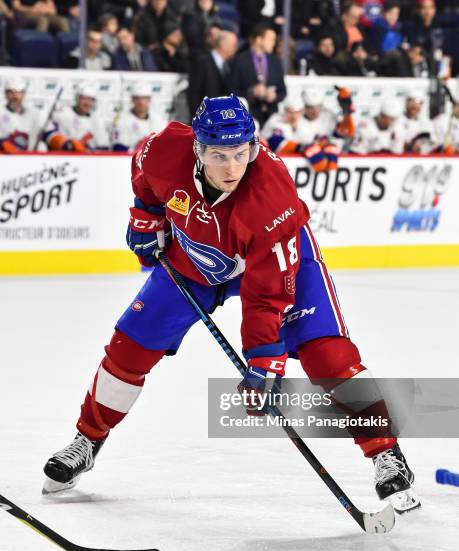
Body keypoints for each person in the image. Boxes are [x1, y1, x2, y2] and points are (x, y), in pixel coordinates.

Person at [42, 94, 420, 516]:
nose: (232, 167)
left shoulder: (270, 197)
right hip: (196, 261)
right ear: (198, 150)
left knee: (328, 357)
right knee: (130, 345)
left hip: (280, 265)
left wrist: (264, 360)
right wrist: (145, 216)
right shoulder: (166, 148)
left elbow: (266, 295)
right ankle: (87, 440)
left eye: (241, 154)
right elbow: (144, 170)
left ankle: (386, 452)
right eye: (219, 155)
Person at [228, 22, 286, 127]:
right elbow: (231, 91)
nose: (274, 43)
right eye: (271, 39)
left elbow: (283, 91)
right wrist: (251, 92)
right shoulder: (239, 61)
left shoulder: (276, 61)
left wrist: (274, 96)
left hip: (272, 118)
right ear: (259, 39)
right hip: (248, 118)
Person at [45, 82, 109, 152]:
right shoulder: (61, 114)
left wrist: (88, 151)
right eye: (84, 99)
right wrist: (66, 144)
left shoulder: (97, 121)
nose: (87, 103)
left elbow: (104, 147)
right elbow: (49, 135)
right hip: (62, 155)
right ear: (77, 98)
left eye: (91, 100)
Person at [187, 29, 238, 116]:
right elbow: (193, 93)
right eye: (234, 45)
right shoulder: (202, 62)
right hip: (204, 120)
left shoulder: (228, 65)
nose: (235, 49)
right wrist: (197, 119)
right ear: (223, 45)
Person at [111, 82, 166, 152]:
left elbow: (165, 146)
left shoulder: (158, 120)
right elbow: (118, 148)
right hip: (129, 160)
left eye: (144, 98)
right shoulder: (122, 120)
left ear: (149, 99)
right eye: (137, 98)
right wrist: (137, 149)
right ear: (132, 100)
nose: (141, 102)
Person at [0, 76, 41, 153]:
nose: (15, 96)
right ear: (6, 94)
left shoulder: (34, 113)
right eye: (11, 92)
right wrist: (3, 143)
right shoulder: (1, 112)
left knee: (42, 147)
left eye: (18, 92)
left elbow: (48, 133)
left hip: (29, 155)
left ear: (24, 94)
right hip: (6, 156)